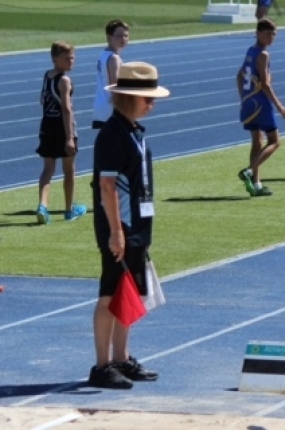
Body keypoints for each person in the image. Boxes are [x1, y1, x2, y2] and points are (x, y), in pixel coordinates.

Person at [89, 61, 170, 389]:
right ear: (128, 97)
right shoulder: (111, 135)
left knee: (128, 292)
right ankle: (102, 366)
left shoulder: (133, 131)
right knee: (110, 293)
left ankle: (122, 358)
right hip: (119, 226)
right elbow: (106, 187)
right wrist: (116, 231)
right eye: (146, 98)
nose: (152, 104)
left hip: (136, 224)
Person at [236, 18, 285, 197]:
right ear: (258, 33)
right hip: (261, 103)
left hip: (249, 102)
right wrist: (280, 105)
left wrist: (243, 97)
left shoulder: (251, 51)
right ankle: (250, 171)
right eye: (267, 33)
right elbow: (265, 84)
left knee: (257, 141)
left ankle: (256, 184)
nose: (271, 37)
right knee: (275, 141)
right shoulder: (264, 55)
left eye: (273, 34)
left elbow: (239, 75)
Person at [35, 41, 87, 225]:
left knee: (48, 169)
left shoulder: (47, 76)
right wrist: (70, 137)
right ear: (56, 59)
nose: (71, 61)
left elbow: (42, 99)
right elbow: (66, 108)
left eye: (73, 57)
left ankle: (42, 206)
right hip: (62, 127)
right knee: (69, 170)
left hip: (46, 126)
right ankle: (69, 209)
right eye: (67, 58)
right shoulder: (64, 80)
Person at [93, 20, 129, 130]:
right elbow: (115, 86)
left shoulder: (103, 55)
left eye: (126, 36)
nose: (123, 39)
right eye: (119, 36)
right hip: (111, 110)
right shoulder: (114, 58)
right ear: (109, 38)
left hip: (101, 107)